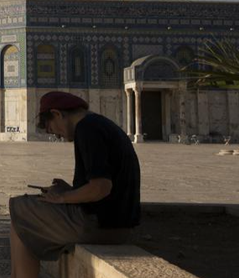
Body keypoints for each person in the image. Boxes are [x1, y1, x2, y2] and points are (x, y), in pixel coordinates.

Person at [7, 91, 140, 278]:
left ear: (57, 113)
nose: (59, 136)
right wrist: (70, 190)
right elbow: (104, 186)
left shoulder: (87, 129)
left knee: (19, 210)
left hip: (100, 225)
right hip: (116, 222)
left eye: (53, 129)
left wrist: (62, 198)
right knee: (26, 215)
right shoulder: (99, 123)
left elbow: (102, 187)